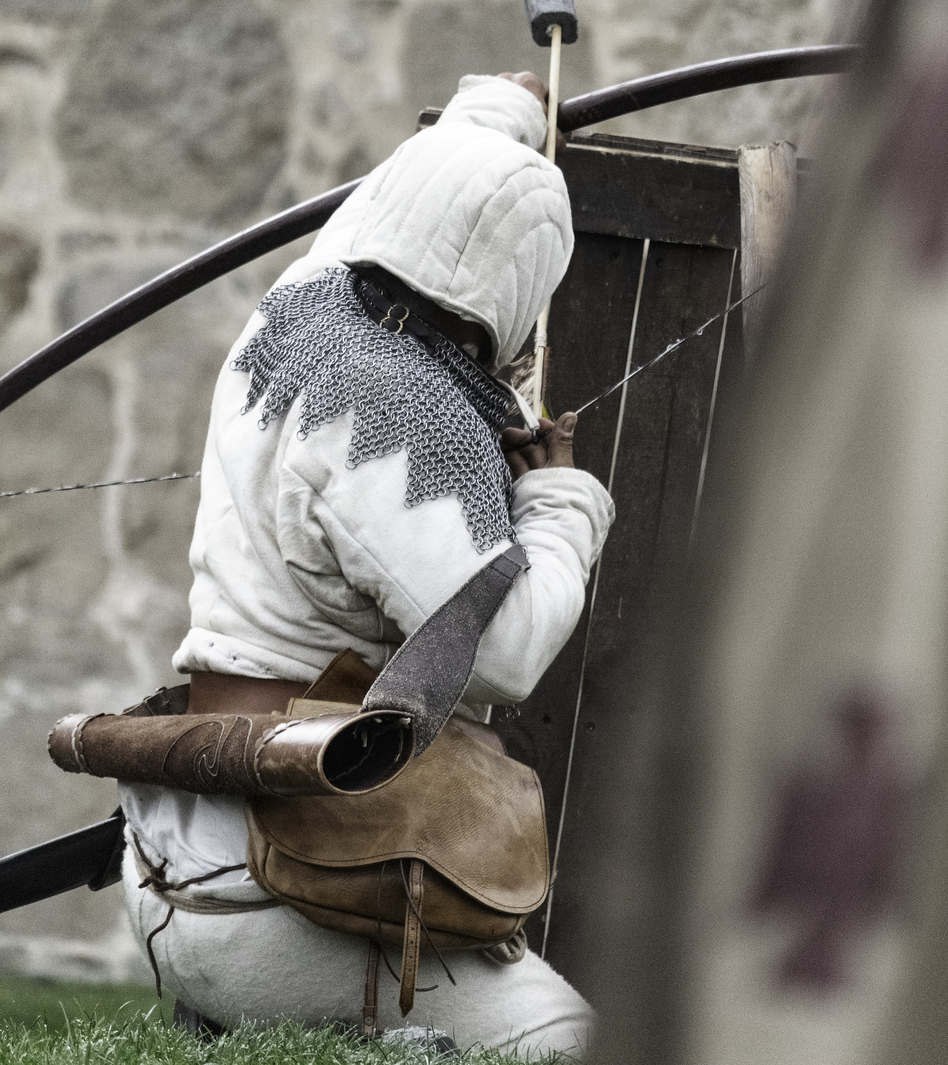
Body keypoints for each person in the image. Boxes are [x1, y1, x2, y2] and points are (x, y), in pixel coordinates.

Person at [119, 71, 615, 1051]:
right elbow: (507, 655)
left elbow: (403, 219)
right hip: (283, 890)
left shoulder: (297, 307)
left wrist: (495, 112)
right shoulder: (401, 422)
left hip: (178, 863)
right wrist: (563, 502)